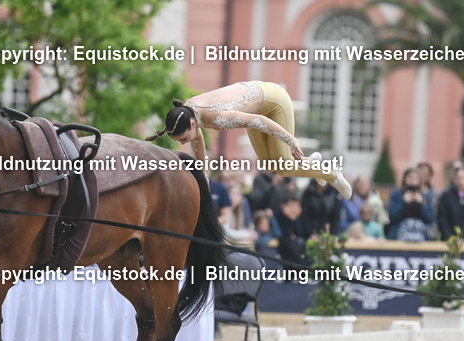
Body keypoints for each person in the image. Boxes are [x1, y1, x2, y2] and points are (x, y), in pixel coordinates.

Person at [146, 82, 352, 198]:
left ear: (191, 124)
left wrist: (291, 140)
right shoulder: (190, 111)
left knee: (284, 166)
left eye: (183, 138)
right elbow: (198, 148)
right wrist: (204, 182)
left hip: (274, 104)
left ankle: (332, 173)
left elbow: (259, 120)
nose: (183, 143)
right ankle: (312, 163)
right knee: (269, 165)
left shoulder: (217, 119)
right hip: (257, 112)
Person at [387, 167, 434, 241]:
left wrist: (421, 204)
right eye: (410, 178)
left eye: (415, 178)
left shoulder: (425, 196)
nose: (412, 180)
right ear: (404, 179)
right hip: (399, 234)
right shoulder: (397, 194)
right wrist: (403, 202)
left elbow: (429, 219)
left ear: (420, 180)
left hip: (421, 234)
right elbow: (392, 217)